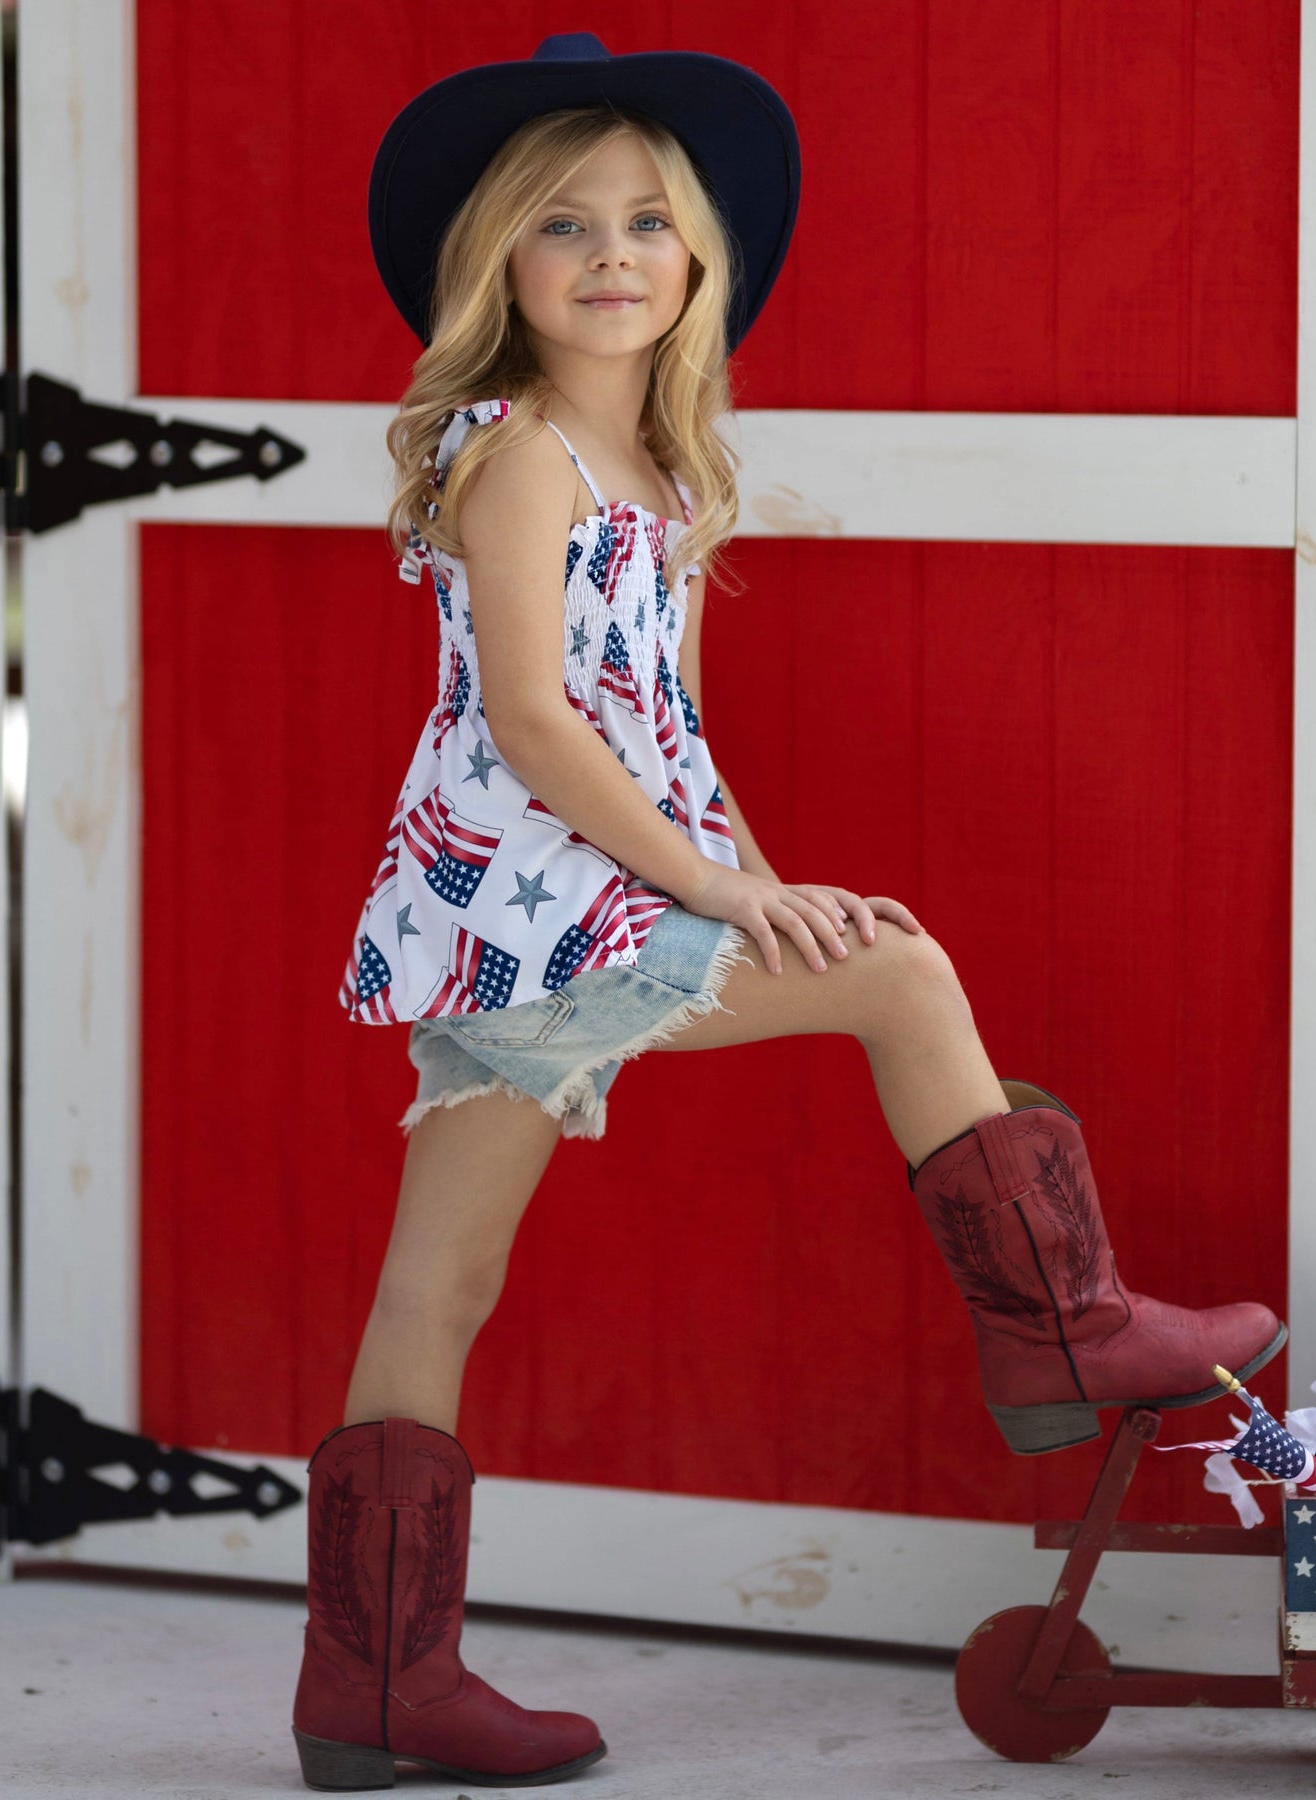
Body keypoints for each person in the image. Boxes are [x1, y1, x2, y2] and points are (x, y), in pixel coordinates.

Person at [293, 32, 1287, 1793]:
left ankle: (373, 1691)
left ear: (698, 263)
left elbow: (666, 736)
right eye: (561, 225)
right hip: (532, 902)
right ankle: (1061, 1330)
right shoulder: (520, 455)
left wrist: (768, 891)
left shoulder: (663, 477)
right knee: (906, 980)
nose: (610, 254)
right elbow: (535, 719)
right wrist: (721, 892)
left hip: (577, 899)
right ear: (497, 266)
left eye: (646, 222)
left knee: (436, 1284)